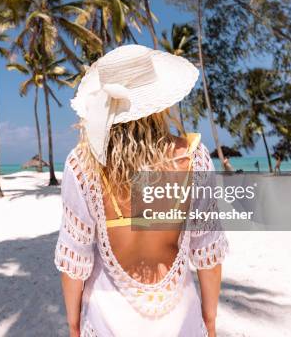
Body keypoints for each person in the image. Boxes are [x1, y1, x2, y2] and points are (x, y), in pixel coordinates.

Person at [55, 45, 228, 337]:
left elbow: (75, 260)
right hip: (179, 322)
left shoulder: (83, 165)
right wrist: (209, 319)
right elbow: (208, 253)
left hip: (108, 322)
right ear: (159, 102)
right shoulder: (193, 159)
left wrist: (73, 324)